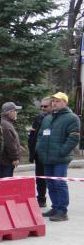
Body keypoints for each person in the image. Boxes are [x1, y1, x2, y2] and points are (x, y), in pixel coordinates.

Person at [36, 92, 81, 222]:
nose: (55, 103)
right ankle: (55, 207)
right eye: (54, 101)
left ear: (65, 103)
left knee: (59, 183)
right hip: (47, 157)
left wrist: (62, 151)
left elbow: (73, 138)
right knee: (50, 183)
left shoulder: (72, 118)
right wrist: (39, 149)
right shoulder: (48, 118)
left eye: (58, 101)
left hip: (61, 158)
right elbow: (40, 135)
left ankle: (62, 211)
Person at [28, 97, 52, 207]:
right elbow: (33, 135)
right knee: (40, 178)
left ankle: (56, 204)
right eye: (41, 106)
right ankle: (41, 199)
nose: (42, 108)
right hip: (39, 154)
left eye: (45, 106)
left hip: (51, 154)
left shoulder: (55, 118)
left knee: (52, 179)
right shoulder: (39, 117)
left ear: (52, 106)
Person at [0, 102, 22, 178]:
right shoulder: (5, 125)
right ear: (9, 112)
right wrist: (15, 158)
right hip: (6, 161)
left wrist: (19, 147)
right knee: (5, 183)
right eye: (15, 111)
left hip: (4, 160)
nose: (16, 113)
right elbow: (9, 144)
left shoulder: (5, 123)